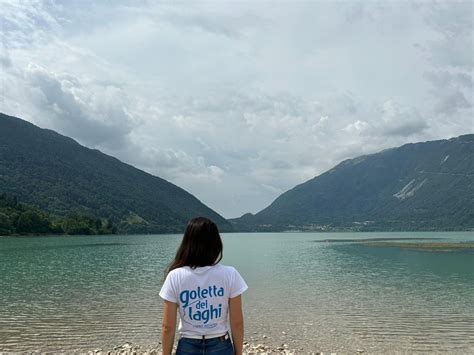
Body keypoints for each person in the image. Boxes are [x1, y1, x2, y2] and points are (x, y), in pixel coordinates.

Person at [159, 217, 248, 355]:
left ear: (187, 243)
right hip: (221, 345)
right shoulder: (230, 274)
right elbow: (237, 323)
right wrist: (239, 353)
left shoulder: (175, 276)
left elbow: (167, 327)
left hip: (188, 345)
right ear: (216, 244)